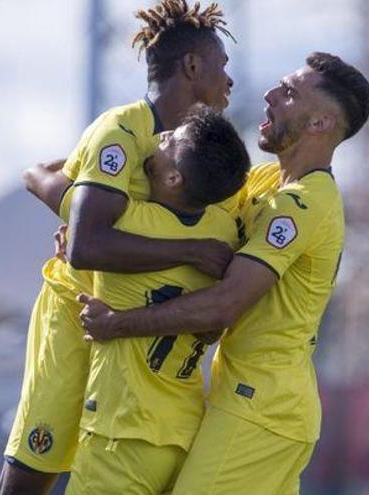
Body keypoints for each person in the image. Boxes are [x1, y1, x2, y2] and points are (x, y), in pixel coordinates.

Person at [78, 52, 369, 494]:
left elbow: (224, 304)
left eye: (289, 93)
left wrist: (118, 324)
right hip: (252, 401)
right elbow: (183, 197)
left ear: (320, 125)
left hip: (263, 408)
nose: (270, 96)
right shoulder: (266, 184)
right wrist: (88, 221)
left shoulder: (306, 203)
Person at [0, 2, 237, 493]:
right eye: (222, 65)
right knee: (34, 468)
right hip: (76, 317)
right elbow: (82, 239)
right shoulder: (123, 132)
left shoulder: (207, 156)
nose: (229, 79)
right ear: (192, 66)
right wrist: (75, 211)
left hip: (135, 340)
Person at [65, 107, 249, 494]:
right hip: (182, 430)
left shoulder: (129, 222)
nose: (160, 138)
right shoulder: (223, 232)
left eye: (169, 140)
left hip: (123, 428)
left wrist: (41, 173)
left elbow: (47, 185)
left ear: (173, 177)